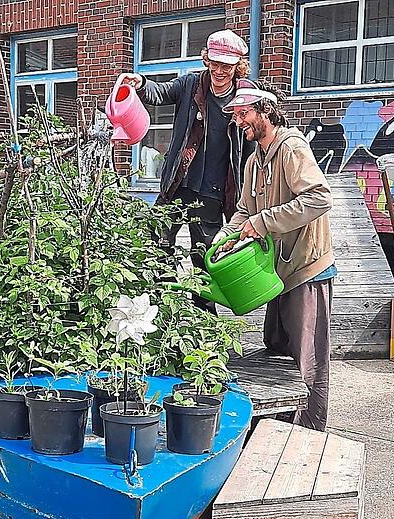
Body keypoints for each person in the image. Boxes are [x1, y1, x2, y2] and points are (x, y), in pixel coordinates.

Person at [217, 84, 336, 432]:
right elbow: (244, 210)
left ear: (266, 110)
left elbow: (319, 198)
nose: (239, 122)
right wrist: (226, 235)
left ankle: (310, 434)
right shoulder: (254, 160)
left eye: (244, 113)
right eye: (236, 115)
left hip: (306, 269)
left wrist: (263, 222)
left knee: (308, 360)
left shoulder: (292, 148)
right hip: (276, 272)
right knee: (277, 350)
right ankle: (280, 430)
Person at [116, 29, 257, 313]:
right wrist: (140, 83)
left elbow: (258, 134)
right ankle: (159, 306)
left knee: (205, 256)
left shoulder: (245, 97)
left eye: (226, 66)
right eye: (214, 63)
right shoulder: (191, 84)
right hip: (177, 186)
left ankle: (203, 317)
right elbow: (160, 92)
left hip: (215, 193)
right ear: (206, 60)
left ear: (237, 66)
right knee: (157, 244)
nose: (219, 71)